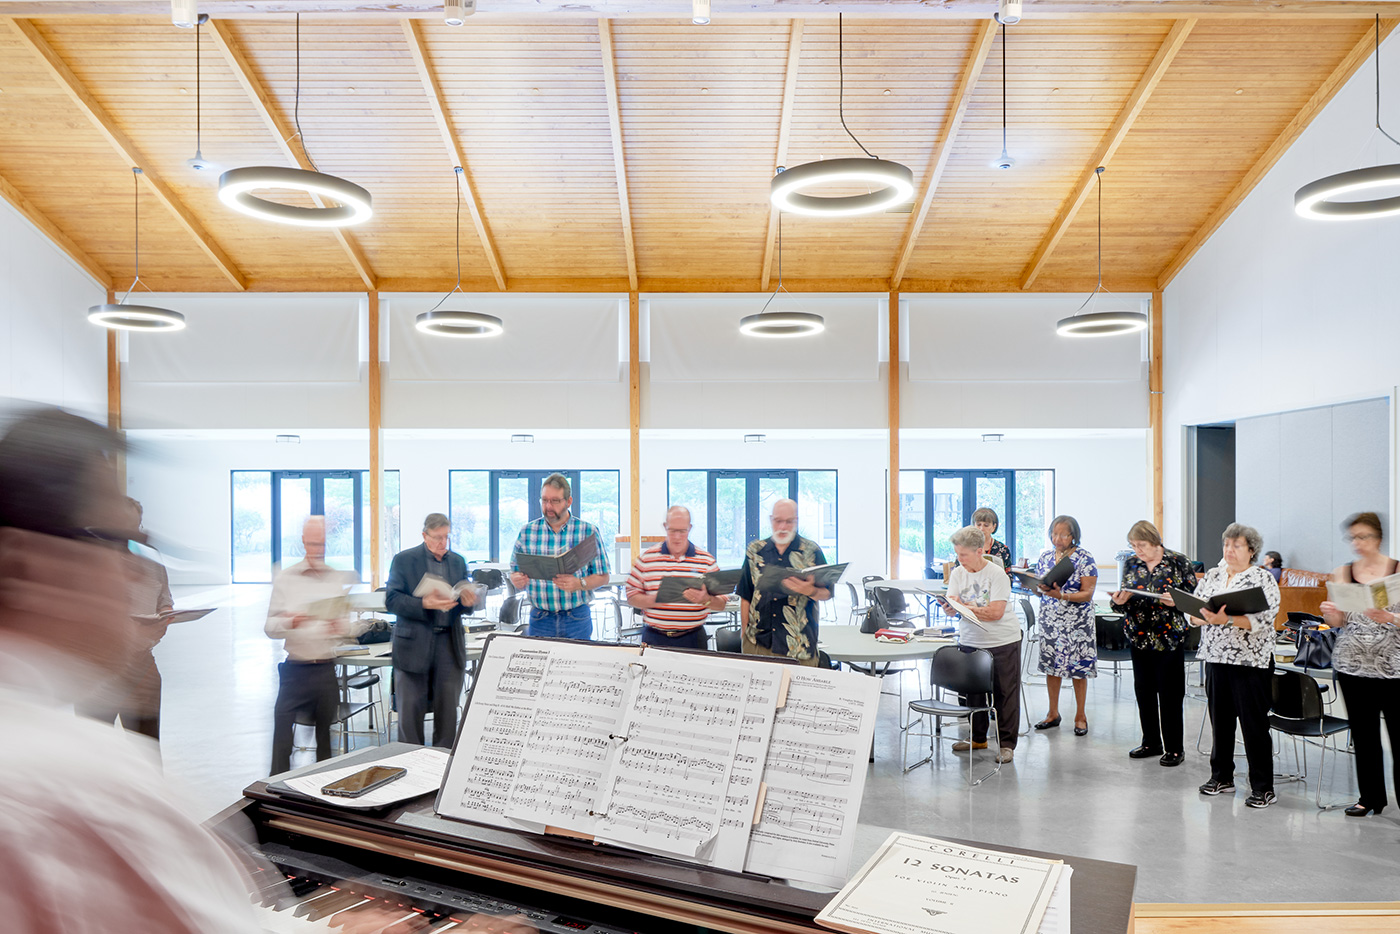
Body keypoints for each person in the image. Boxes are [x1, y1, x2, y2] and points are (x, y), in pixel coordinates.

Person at [264, 515, 362, 774]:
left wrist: (341, 628)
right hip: (295, 670)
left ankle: (323, 795)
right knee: (282, 740)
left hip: (325, 671)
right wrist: (292, 621)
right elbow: (270, 628)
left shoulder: (334, 578)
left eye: (322, 545)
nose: (318, 550)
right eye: (313, 544)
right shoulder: (287, 578)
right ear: (303, 543)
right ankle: (276, 789)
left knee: (326, 747)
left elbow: (348, 627)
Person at [1193, 522, 1281, 809]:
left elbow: (1264, 621)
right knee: (1220, 722)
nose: (1229, 550)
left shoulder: (1262, 579)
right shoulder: (1214, 576)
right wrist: (1195, 616)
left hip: (1251, 662)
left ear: (1251, 550)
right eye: (1226, 545)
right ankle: (1221, 776)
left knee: (1254, 725)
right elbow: (1194, 611)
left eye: (1237, 545)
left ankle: (1263, 787)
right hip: (1216, 658)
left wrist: (1227, 620)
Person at [1319, 512, 1400, 817]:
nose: (1357, 543)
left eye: (1363, 537)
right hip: (1352, 665)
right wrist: (1330, 611)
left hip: (1393, 668)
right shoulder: (1342, 572)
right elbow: (1338, 622)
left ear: (1378, 538)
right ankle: (1370, 798)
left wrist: (1390, 617)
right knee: (1364, 736)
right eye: (1353, 537)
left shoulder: (1397, 571)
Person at [76, 496, 173, 743]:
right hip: (97, 674)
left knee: (146, 755)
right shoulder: (84, 561)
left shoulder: (150, 559)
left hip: (144, 670)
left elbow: (165, 599)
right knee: (96, 753)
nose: (131, 533)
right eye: (123, 526)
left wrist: (164, 617)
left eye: (135, 526)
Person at [387, 512, 479, 747]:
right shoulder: (404, 560)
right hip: (412, 646)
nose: (442, 544)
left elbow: (461, 602)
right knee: (410, 715)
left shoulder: (457, 561)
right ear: (424, 536)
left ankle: (442, 772)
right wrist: (423, 603)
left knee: (448, 714)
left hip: (448, 644)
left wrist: (468, 602)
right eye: (437, 538)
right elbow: (392, 600)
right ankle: (409, 768)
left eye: (446, 537)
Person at [1109, 520, 1196, 766]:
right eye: (1134, 546)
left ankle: (1175, 748)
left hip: (1168, 637)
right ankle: (1151, 742)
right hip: (1139, 636)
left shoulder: (1179, 562)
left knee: (1170, 694)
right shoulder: (1132, 563)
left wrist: (1176, 601)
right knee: (1144, 692)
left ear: (1155, 541)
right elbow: (1121, 602)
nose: (1138, 550)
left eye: (1142, 545)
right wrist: (1120, 600)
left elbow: (1194, 600)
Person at [941, 526, 1020, 763]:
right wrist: (950, 608)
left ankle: (1006, 745)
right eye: (957, 554)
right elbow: (954, 603)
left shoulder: (997, 575)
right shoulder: (957, 573)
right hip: (970, 640)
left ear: (979, 551)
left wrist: (964, 608)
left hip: (1002, 640)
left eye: (963, 555)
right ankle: (977, 738)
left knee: (1004, 693)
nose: (959, 559)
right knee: (972, 693)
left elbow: (995, 612)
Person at [508, 473, 610, 640]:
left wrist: (579, 583)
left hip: (576, 617)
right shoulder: (527, 532)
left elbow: (604, 577)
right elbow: (514, 571)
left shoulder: (587, 531)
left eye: (555, 501)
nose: (548, 506)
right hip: (540, 618)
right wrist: (516, 579)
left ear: (568, 501)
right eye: (544, 500)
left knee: (578, 665)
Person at [735, 498, 833, 666]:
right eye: (778, 521)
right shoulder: (755, 551)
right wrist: (744, 632)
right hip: (758, 642)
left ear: (796, 521)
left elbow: (828, 593)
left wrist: (810, 591)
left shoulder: (811, 551)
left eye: (788, 522)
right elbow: (745, 594)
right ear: (771, 520)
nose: (782, 527)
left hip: (799, 645)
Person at [625, 506, 728, 649]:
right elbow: (631, 596)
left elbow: (722, 603)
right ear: (665, 527)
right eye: (672, 530)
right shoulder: (647, 559)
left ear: (690, 528)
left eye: (682, 531)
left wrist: (706, 600)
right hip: (654, 637)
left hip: (693, 638)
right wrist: (656, 600)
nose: (677, 537)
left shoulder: (707, 561)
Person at [1032, 515, 1097, 735]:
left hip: (1078, 621)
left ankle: (1080, 716)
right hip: (1051, 618)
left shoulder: (1084, 557)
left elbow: (1088, 593)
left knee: (1078, 668)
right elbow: (1041, 586)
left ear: (1073, 536)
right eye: (1054, 533)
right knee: (1052, 665)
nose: (1057, 538)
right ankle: (1053, 713)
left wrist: (1063, 596)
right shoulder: (1045, 557)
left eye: (1062, 534)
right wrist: (1035, 586)